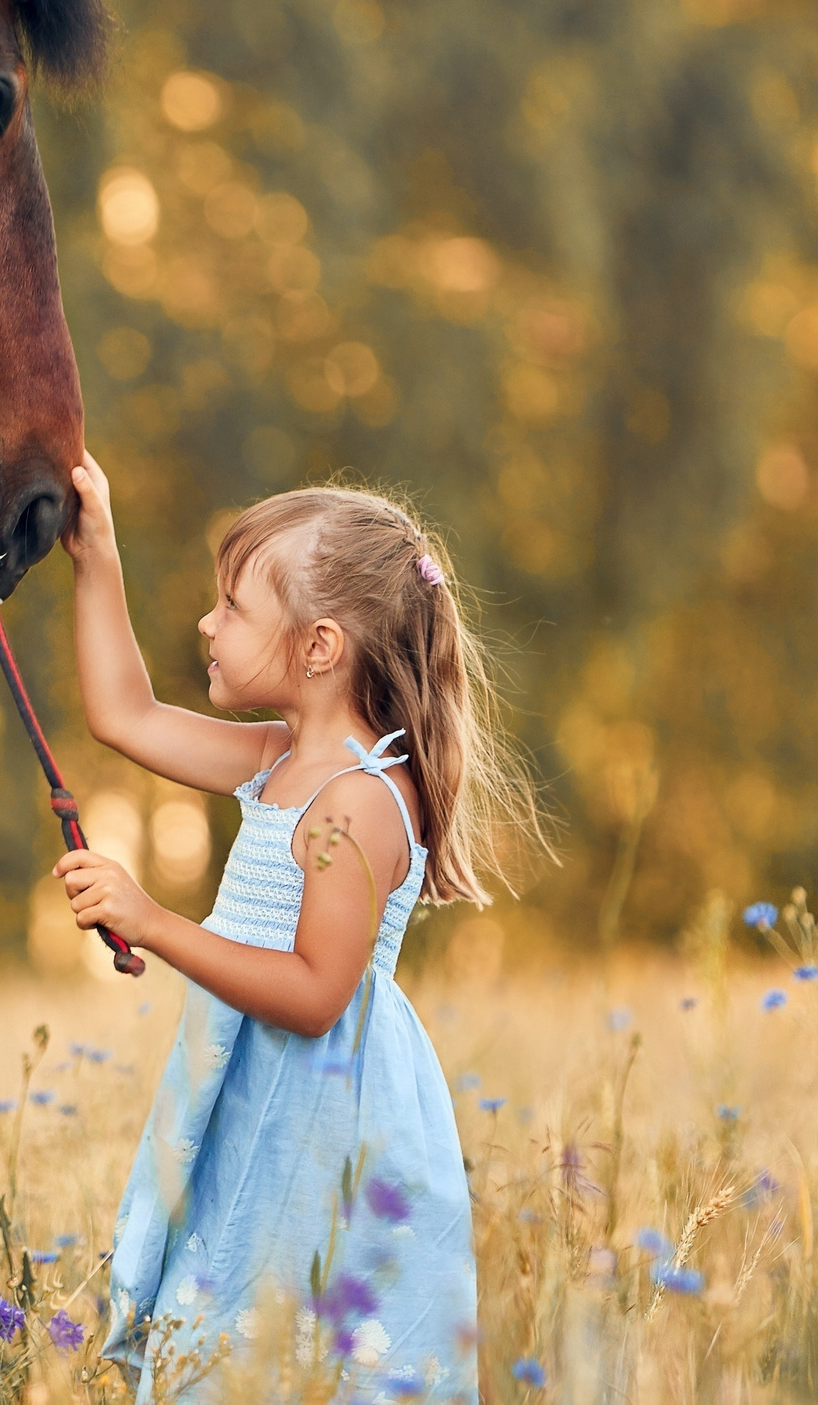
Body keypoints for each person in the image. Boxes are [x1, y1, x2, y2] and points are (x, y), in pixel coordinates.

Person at [57, 454, 542, 1401]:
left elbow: (318, 994)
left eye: (233, 607)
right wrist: (95, 555)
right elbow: (122, 713)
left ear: (319, 647)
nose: (208, 622)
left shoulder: (355, 801)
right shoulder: (281, 757)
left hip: (317, 1119)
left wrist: (154, 921)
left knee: (289, 1347)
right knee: (232, 1333)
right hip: (256, 1094)